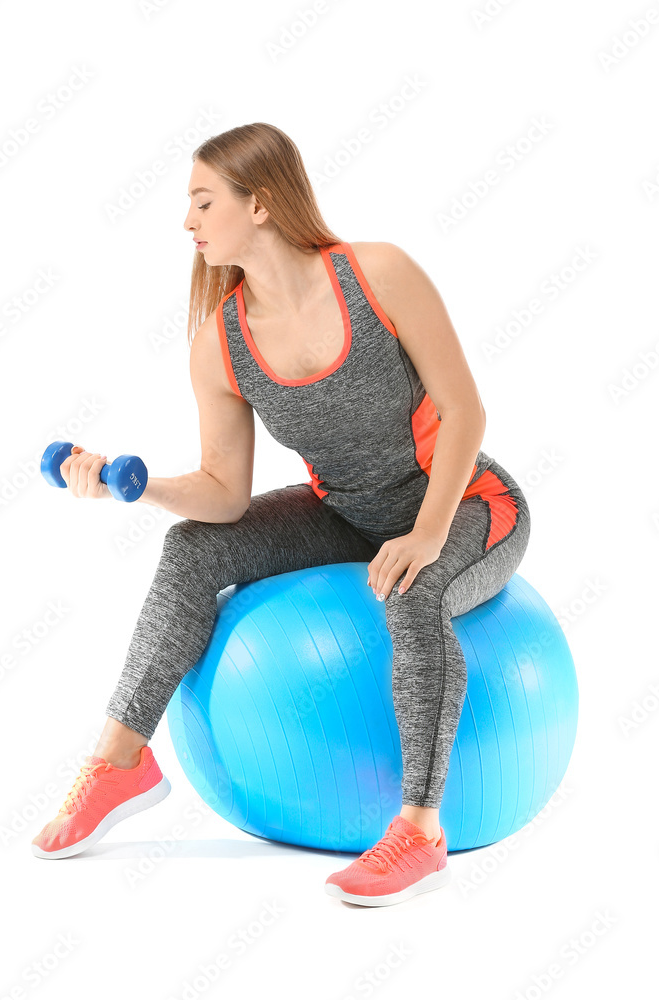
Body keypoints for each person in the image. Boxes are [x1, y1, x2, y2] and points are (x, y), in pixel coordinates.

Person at [31, 122, 530, 908]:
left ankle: (422, 831)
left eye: (202, 202)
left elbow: (465, 412)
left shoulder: (378, 276)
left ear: (259, 204)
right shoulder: (220, 342)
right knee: (191, 547)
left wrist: (429, 533)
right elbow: (225, 493)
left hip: (465, 501)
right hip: (346, 513)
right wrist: (141, 485)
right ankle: (120, 761)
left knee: (412, 592)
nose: (186, 223)